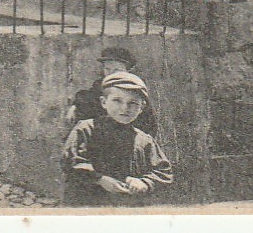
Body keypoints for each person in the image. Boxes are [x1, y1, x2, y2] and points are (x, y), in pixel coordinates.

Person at [62, 72, 174, 206]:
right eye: (117, 101)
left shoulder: (144, 140)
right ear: (104, 102)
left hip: (127, 206)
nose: (125, 108)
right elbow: (71, 161)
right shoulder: (86, 129)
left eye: (132, 103)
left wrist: (144, 182)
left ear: (142, 108)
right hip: (88, 203)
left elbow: (164, 171)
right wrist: (100, 179)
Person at [68, 46, 160, 135]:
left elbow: (149, 124)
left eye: (117, 70)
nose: (111, 73)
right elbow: (87, 96)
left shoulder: (135, 89)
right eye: (107, 69)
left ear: (127, 71)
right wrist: (75, 105)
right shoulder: (100, 85)